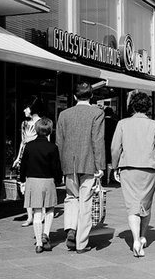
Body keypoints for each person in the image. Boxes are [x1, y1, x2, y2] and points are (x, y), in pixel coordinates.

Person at [111, 92, 155, 257]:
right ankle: (143, 236)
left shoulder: (122, 123)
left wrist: (115, 167)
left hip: (128, 168)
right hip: (150, 169)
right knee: (146, 204)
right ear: (148, 108)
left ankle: (135, 239)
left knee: (132, 206)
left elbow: (115, 148)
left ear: (132, 106)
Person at [56, 81, 105, 254]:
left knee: (71, 197)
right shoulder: (97, 113)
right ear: (91, 96)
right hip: (89, 162)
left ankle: (70, 227)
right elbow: (97, 140)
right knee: (86, 201)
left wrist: (61, 163)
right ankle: (81, 243)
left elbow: (59, 142)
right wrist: (100, 165)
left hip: (69, 162)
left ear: (75, 96)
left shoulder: (64, 114)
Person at [19, 117, 62, 254]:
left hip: (32, 181)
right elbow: (56, 167)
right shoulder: (53, 148)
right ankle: (46, 234)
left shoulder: (29, 146)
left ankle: (38, 243)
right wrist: (58, 179)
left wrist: (22, 180)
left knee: (37, 212)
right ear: (49, 131)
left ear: (36, 130)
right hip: (48, 181)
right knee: (49, 210)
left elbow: (23, 165)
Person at [13, 95, 44, 227]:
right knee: (24, 186)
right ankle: (30, 215)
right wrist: (18, 158)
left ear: (32, 108)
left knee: (37, 186)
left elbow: (45, 142)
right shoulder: (24, 124)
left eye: (26, 107)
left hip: (37, 157)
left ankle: (40, 212)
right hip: (25, 156)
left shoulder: (42, 123)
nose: (24, 110)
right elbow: (22, 141)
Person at [103, 106, 119, 185]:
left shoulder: (101, 123)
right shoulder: (115, 123)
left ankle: (104, 178)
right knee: (111, 161)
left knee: (103, 161)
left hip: (103, 144)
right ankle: (111, 177)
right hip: (112, 143)